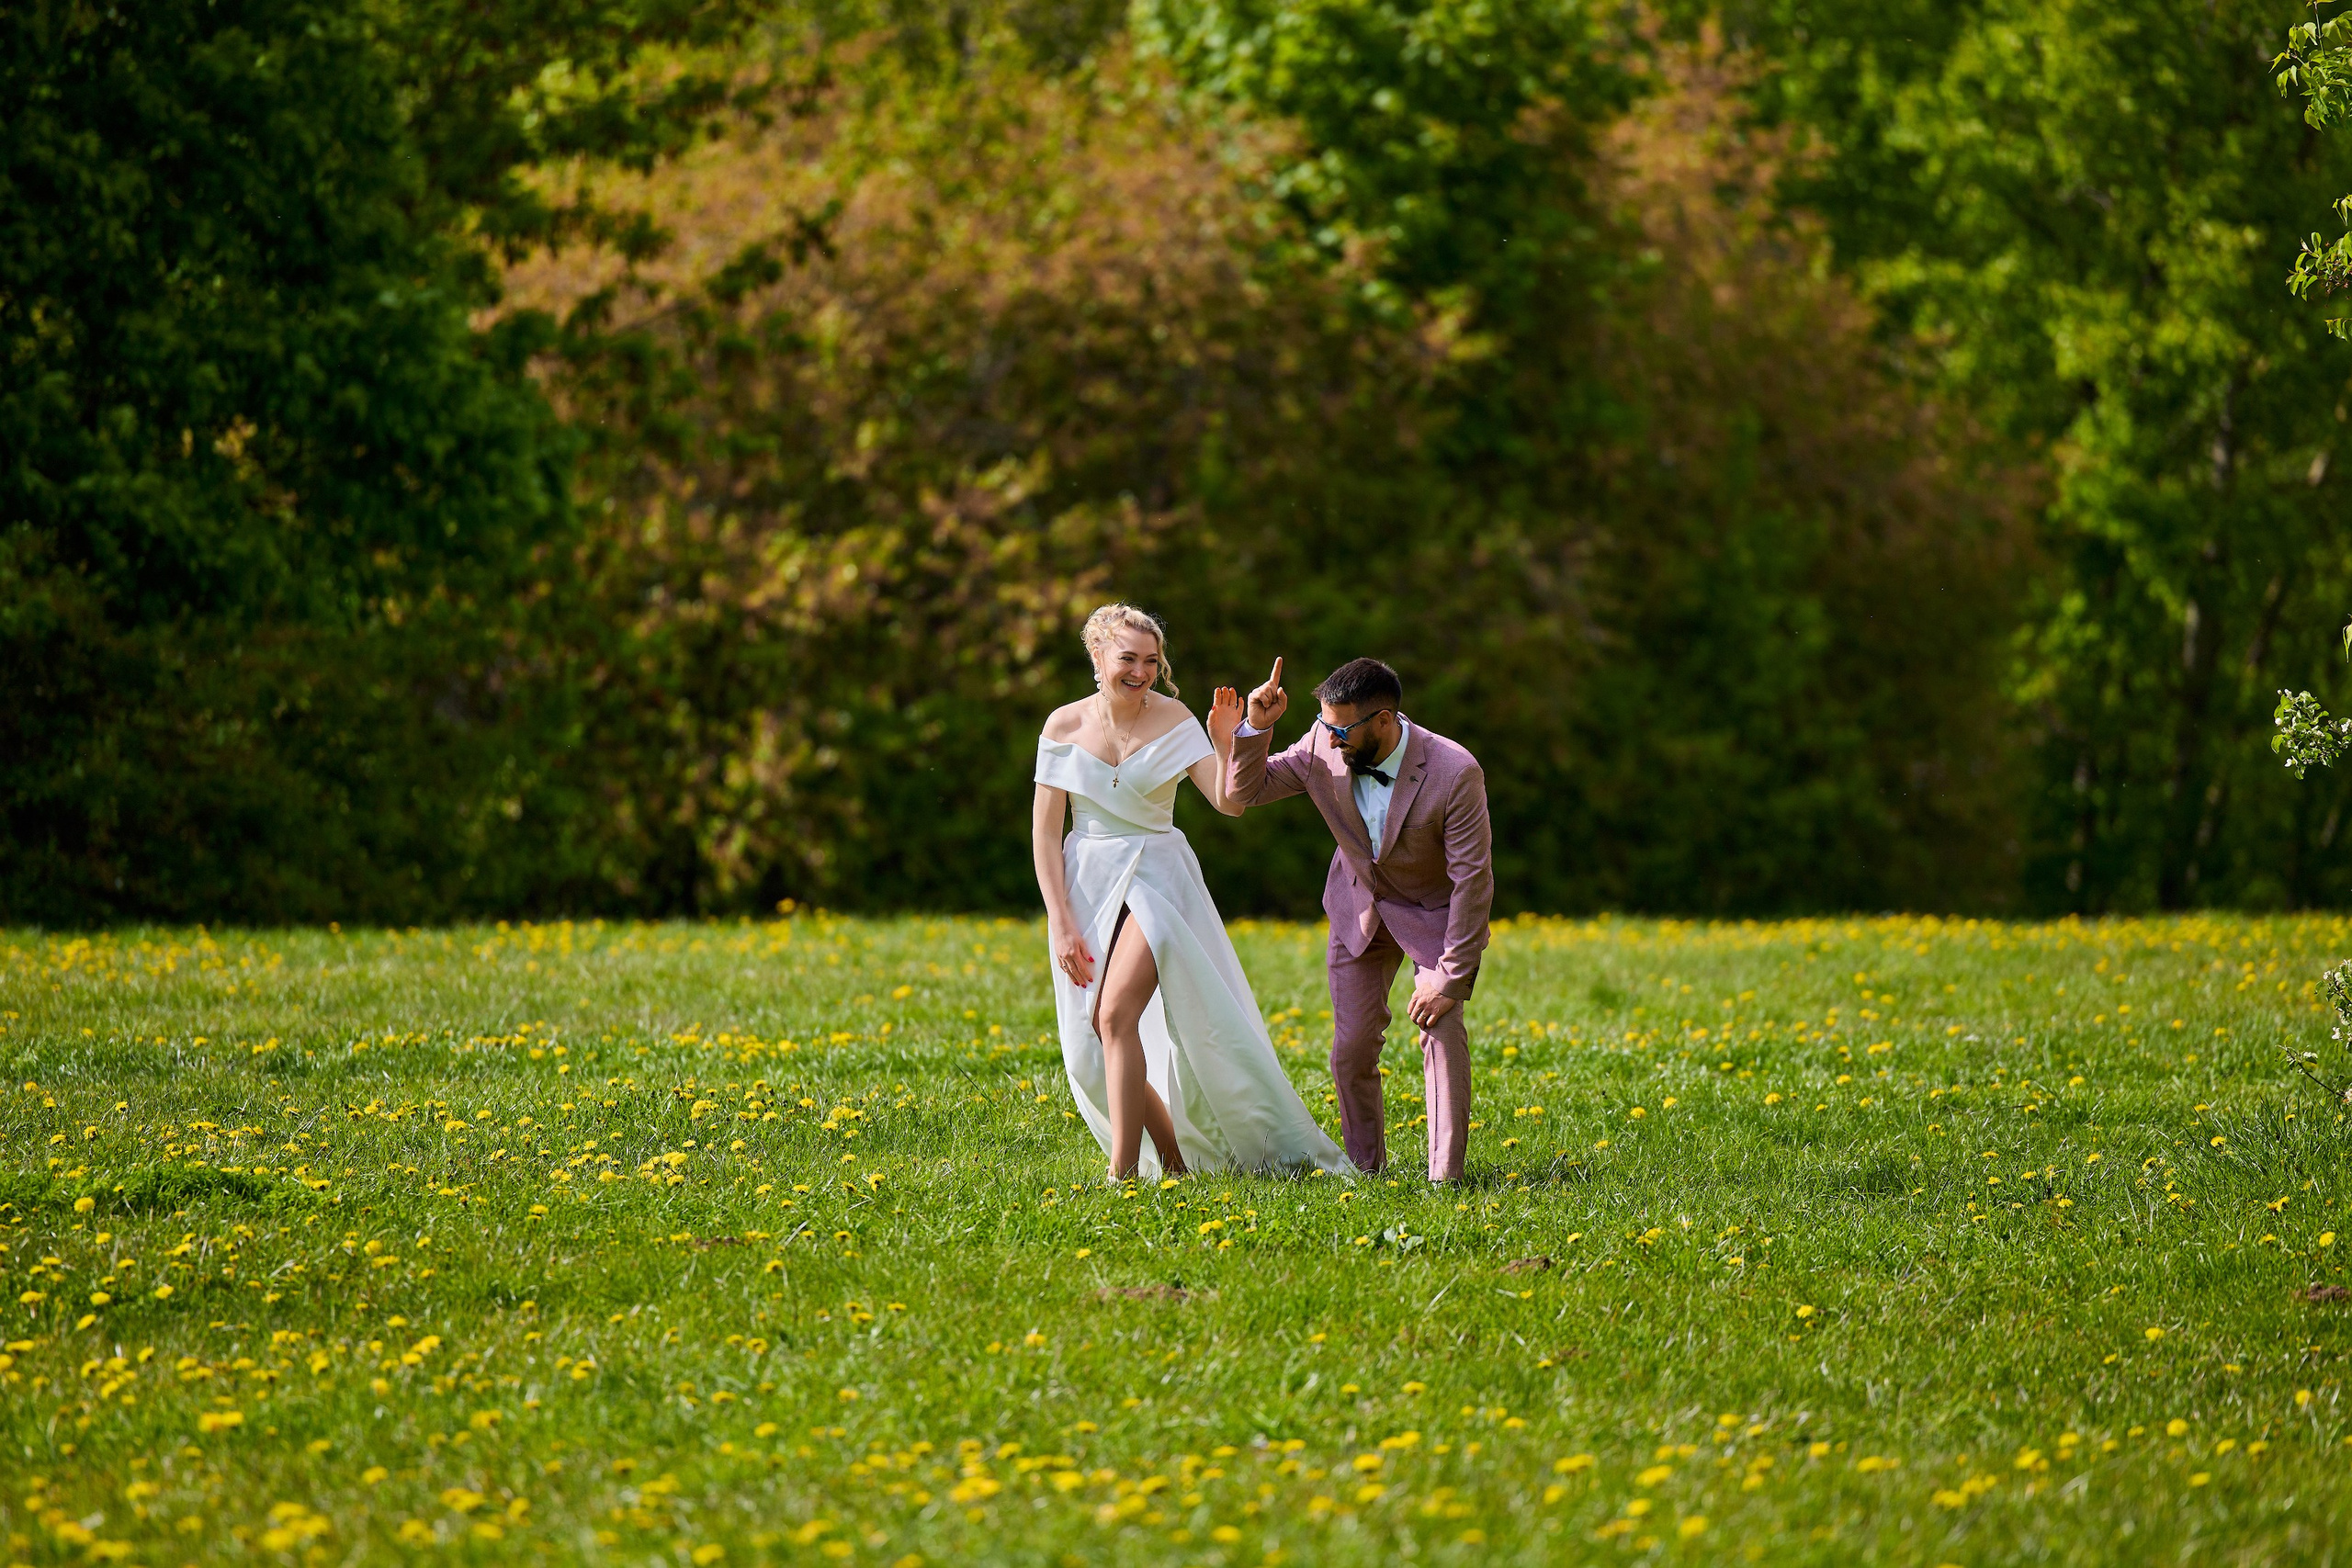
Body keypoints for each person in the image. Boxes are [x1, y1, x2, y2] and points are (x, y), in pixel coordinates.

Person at [1032, 604, 1351, 1182]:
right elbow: (1045, 835)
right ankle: (1173, 1164)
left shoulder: (1175, 717)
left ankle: (1121, 1174)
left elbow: (1229, 803)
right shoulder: (1063, 727)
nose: (1141, 671)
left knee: (1117, 1012)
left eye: (1151, 660)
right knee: (1094, 1040)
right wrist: (1060, 921)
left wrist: (1234, 737)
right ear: (1097, 655)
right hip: (1090, 885)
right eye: (1127, 658)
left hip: (1159, 877)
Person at [1215, 656, 1493, 1183]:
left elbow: (1472, 883)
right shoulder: (1324, 743)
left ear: (1384, 722)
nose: (1328, 735)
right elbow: (1245, 793)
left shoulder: (1455, 772)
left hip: (1432, 913)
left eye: (1341, 727)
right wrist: (1256, 728)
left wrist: (1453, 978)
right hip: (1357, 908)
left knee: (1441, 1027)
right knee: (1351, 1048)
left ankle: (1445, 1179)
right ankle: (1366, 1169)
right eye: (1324, 722)